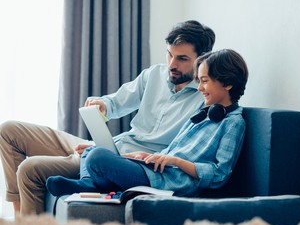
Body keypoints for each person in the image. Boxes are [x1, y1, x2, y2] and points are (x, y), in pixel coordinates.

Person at [0, 20, 216, 215]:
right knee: (9, 131)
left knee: (30, 169)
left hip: (125, 162)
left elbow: (181, 156)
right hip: (106, 145)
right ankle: (18, 216)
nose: (171, 64)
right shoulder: (154, 75)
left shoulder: (206, 101)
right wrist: (102, 104)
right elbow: (116, 102)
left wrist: (114, 156)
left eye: (182, 59)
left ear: (201, 60)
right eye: (169, 54)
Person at [46, 49, 248, 197]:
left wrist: (175, 161)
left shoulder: (233, 123)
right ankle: (89, 184)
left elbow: (220, 175)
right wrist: (146, 156)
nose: (200, 87)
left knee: (98, 157)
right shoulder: (205, 113)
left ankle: (93, 184)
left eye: (205, 81)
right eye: (200, 81)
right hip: (158, 170)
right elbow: (173, 149)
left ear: (228, 83)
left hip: (170, 182)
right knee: (93, 150)